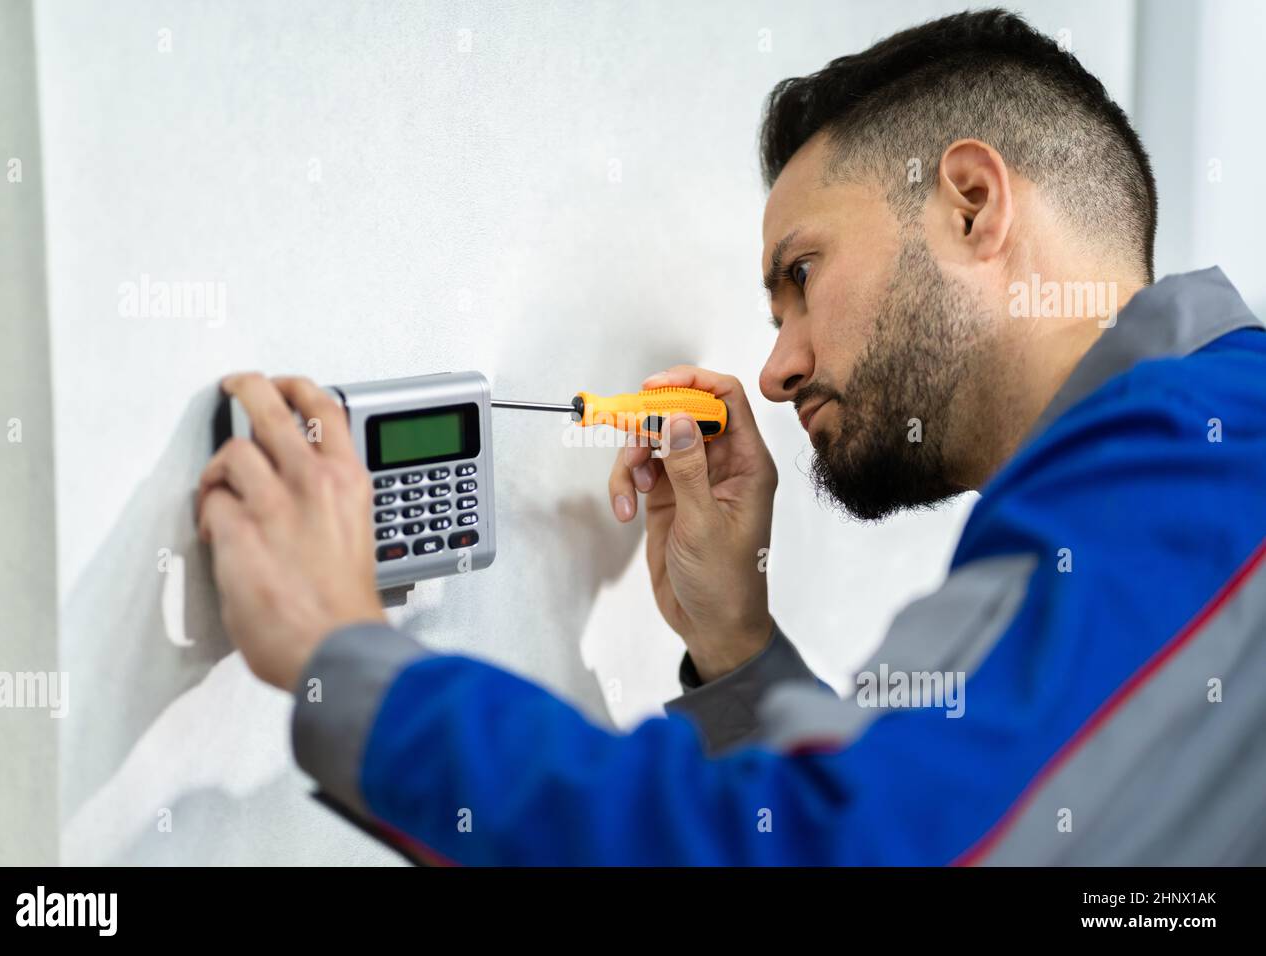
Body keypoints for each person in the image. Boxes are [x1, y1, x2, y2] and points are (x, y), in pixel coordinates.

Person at [196, 9, 1266, 864]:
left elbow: (841, 850)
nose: (774, 367)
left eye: (799, 277)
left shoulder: (1200, 458)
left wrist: (347, 658)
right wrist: (736, 649)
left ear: (973, 204)